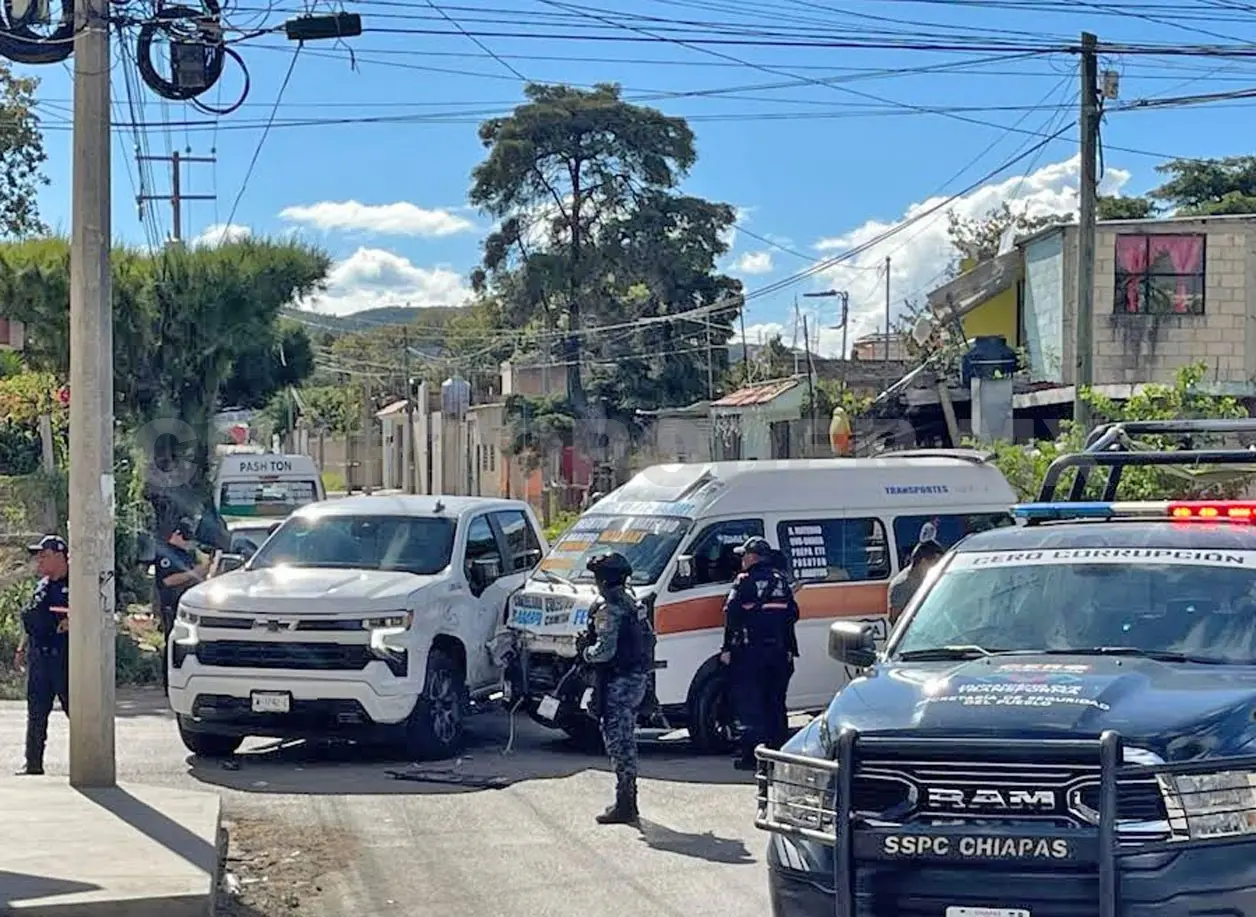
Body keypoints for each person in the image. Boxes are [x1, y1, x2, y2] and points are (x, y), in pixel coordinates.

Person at [579, 551, 654, 826]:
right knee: (624, 737)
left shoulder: (610, 608)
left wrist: (585, 651)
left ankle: (626, 804)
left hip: (619, 681)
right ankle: (626, 800)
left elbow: (604, 651)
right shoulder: (632, 602)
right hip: (635, 678)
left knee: (619, 742)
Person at [721, 536, 799, 771]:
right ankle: (777, 755)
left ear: (753, 557)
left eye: (744, 555)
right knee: (776, 704)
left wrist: (727, 648)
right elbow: (793, 615)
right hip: (779, 653)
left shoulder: (744, 581)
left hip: (751, 653)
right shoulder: (781, 581)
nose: (742, 560)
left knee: (750, 704)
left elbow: (731, 614)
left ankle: (752, 757)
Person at [15, 535, 70, 775]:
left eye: (44, 555)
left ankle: (90, 761)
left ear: (59, 556)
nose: (39, 560)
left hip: (64, 658)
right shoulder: (43, 585)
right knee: (36, 712)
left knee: (76, 711)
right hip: (40, 657)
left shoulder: (77, 584)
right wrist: (21, 648)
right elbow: (31, 618)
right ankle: (33, 764)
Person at [156, 519, 209, 690]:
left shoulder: (183, 554)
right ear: (176, 535)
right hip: (170, 605)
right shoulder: (166, 554)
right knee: (172, 642)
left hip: (185, 606)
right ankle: (168, 683)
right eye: (185, 537)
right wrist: (193, 573)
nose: (187, 542)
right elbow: (167, 580)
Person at [888, 538, 946, 625]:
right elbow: (894, 619)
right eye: (936, 562)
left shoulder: (929, 578)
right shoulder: (902, 585)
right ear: (923, 562)